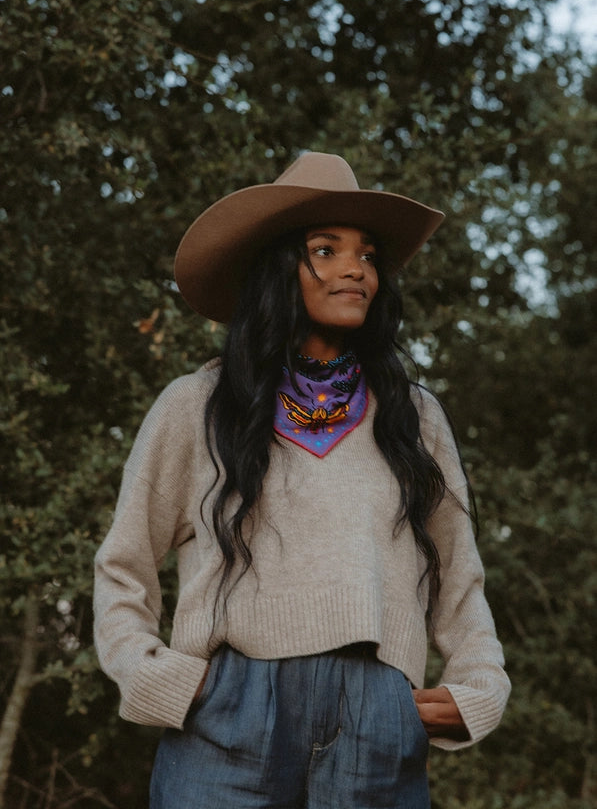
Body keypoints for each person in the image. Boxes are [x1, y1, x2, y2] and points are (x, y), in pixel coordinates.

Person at [94, 152, 510, 808]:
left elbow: (458, 579)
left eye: (367, 254)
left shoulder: (415, 416)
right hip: (226, 716)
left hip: (377, 722)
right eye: (325, 249)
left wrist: (476, 692)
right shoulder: (196, 404)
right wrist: (161, 680)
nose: (356, 270)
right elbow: (123, 566)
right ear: (277, 268)